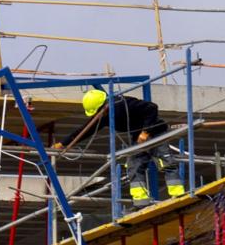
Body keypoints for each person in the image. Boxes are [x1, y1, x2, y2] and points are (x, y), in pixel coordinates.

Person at [52, 88, 184, 206]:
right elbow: (85, 130)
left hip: (155, 133)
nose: (97, 114)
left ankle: (178, 194)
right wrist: (64, 143)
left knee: (165, 161)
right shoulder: (104, 116)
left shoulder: (123, 104)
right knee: (134, 165)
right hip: (137, 137)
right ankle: (141, 201)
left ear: (103, 105)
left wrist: (145, 132)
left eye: (98, 111)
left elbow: (152, 108)